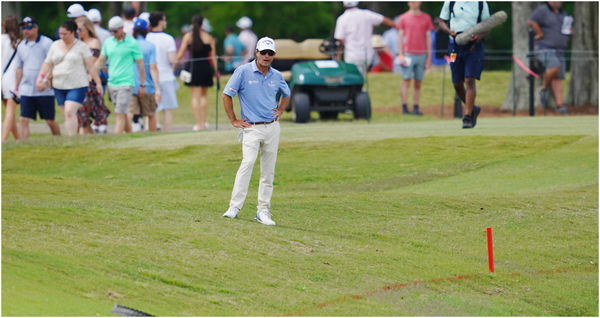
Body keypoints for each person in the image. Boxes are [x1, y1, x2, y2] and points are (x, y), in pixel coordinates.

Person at [222, 37, 291, 226]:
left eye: (270, 53)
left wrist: (280, 110)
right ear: (256, 53)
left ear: (274, 55)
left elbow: (286, 94)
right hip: (251, 127)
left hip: (272, 127)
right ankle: (234, 207)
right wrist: (233, 120)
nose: (266, 56)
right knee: (248, 163)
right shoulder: (243, 71)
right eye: (263, 52)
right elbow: (227, 94)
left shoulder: (276, 75)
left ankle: (263, 211)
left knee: (268, 171)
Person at [37, 20, 102, 137]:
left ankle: (71, 139)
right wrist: (41, 78)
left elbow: (91, 66)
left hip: (77, 84)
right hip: (59, 85)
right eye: (60, 33)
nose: (62, 36)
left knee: (69, 111)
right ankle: (74, 135)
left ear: (73, 33)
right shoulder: (55, 45)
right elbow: (47, 63)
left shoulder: (81, 47)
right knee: (67, 114)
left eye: (65, 34)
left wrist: (98, 83)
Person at [438, 1, 489, 129]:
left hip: (473, 47)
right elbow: (441, 21)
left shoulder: (481, 3)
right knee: (457, 83)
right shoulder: (450, 2)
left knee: (469, 80)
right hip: (455, 46)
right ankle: (473, 108)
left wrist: (479, 36)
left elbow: (487, 27)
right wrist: (449, 31)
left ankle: (467, 116)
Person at [96, 16, 146, 134]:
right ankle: (129, 135)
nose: (112, 33)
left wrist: (142, 85)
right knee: (121, 113)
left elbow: (141, 65)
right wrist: (92, 72)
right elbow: (101, 60)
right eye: (111, 31)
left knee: (120, 112)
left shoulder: (132, 43)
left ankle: (115, 139)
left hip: (126, 83)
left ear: (122, 28)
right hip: (112, 82)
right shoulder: (108, 42)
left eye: (115, 31)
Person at [14, 17, 60, 139]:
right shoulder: (20, 46)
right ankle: (24, 145)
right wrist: (16, 87)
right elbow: (19, 67)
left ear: (36, 28)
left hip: (44, 90)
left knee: (49, 120)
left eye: (29, 27)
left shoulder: (47, 43)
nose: (26, 31)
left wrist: (45, 80)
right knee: (23, 119)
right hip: (27, 88)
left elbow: (52, 64)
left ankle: (59, 139)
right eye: (24, 27)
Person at [175, 15, 219, 131]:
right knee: (204, 96)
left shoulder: (188, 36)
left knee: (195, 97)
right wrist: (216, 71)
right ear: (202, 23)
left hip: (193, 68)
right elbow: (213, 57)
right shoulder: (209, 37)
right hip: (206, 68)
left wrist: (174, 64)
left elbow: (180, 54)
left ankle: (198, 124)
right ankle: (203, 122)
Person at [527, 2, 572, 115]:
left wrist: (570, 32)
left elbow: (566, 29)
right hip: (544, 48)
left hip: (560, 50)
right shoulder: (542, 10)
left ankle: (560, 105)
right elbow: (531, 21)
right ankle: (543, 88)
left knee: (559, 78)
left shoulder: (564, 14)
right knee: (554, 67)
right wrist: (539, 33)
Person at [334, 1, 396, 77]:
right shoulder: (366, 14)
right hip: (367, 54)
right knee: (362, 75)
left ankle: (356, 88)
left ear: (344, 5)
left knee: (353, 75)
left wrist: (339, 55)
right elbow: (384, 20)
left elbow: (340, 39)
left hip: (351, 54)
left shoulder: (342, 19)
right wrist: (398, 26)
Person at [397, 1, 434, 116]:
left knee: (418, 82)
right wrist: (401, 55)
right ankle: (404, 107)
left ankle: (416, 107)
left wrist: (429, 57)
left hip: (421, 54)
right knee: (406, 80)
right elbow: (400, 37)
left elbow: (428, 38)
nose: (413, 2)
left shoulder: (426, 18)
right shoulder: (403, 18)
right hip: (408, 54)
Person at [75, 17, 110, 135]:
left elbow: (92, 63)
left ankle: (82, 135)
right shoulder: (76, 43)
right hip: (76, 80)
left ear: (87, 29)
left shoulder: (94, 42)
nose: (77, 32)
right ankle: (86, 136)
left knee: (84, 112)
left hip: (89, 81)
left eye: (80, 29)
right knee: (80, 114)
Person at [147, 12, 178, 132]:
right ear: (160, 22)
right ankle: (167, 132)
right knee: (167, 109)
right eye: (164, 20)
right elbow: (172, 59)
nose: (165, 22)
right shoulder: (168, 38)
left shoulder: (147, 38)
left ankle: (152, 132)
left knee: (152, 110)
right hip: (166, 76)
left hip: (150, 77)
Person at [128, 18, 161, 132]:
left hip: (131, 84)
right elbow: (153, 67)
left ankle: (127, 138)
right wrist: (157, 88)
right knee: (151, 114)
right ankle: (152, 139)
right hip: (147, 86)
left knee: (130, 113)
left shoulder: (129, 45)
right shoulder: (150, 46)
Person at [2, 16, 21, 141]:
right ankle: (3, 139)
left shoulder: (1, 39)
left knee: (9, 113)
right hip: (11, 78)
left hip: (1, 76)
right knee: (10, 111)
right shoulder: (20, 42)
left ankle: (17, 139)